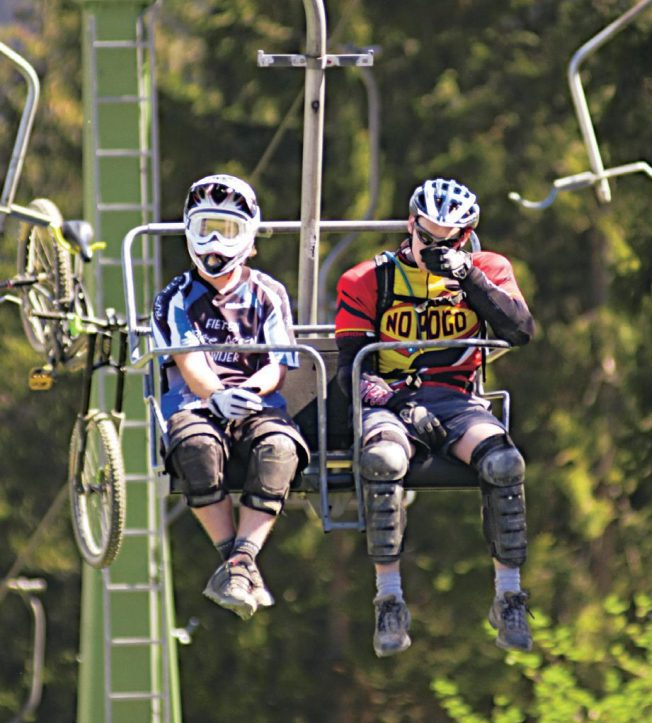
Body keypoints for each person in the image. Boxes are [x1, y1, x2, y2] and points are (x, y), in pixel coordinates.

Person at [335, 177, 535, 656]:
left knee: (505, 463)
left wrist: (468, 277)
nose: (433, 249)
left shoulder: (487, 269)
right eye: (426, 237)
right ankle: (389, 598)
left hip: (456, 398)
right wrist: (401, 403)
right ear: (411, 225)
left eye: (447, 241)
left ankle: (509, 593)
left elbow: (520, 330)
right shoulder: (367, 280)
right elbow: (352, 370)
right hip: (390, 400)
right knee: (383, 461)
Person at [152, 174, 309, 620]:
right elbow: (189, 361)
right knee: (196, 448)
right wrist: (217, 395)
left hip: (257, 403)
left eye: (228, 230)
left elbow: (278, 363)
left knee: (279, 450)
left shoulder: (268, 293)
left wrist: (248, 392)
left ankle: (240, 562)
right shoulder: (174, 298)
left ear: (250, 237)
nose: (215, 243)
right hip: (195, 404)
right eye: (205, 229)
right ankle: (238, 563)